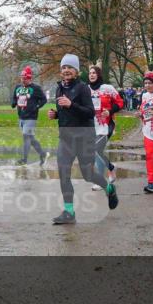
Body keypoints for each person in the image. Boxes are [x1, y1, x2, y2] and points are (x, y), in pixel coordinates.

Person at [48, 55, 118, 224]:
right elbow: (66, 112)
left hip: (84, 138)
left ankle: (109, 188)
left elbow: (89, 112)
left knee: (88, 175)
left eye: (70, 68)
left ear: (77, 71)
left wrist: (71, 105)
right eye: (63, 67)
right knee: (64, 174)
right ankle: (69, 212)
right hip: (66, 138)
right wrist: (56, 114)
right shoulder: (59, 89)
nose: (66, 70)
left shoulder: (82, 88)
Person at [87, 65, 123, 189]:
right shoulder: (85, 90)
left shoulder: (108, 88)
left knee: (97, 150)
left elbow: (120, 102)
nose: (91, 75)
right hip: (91, 126)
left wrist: (110, 111)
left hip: (106, 125)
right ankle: (111, 169)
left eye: (94, 73)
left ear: (99, 75)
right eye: (90, 73)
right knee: (96, 152)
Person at [11, 66, 48, 166]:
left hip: (31, 117)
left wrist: (36, 107)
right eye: (22, 78)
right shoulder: (18, 87)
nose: (23, 80)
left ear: (30, 78)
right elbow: (15, 97)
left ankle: (24, 159)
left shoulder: (36, 88)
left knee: (25, 137)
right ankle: (42, 154)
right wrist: (14, 103)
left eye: (25, 78)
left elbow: (44, 100)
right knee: (31, 139)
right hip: (21, 117)